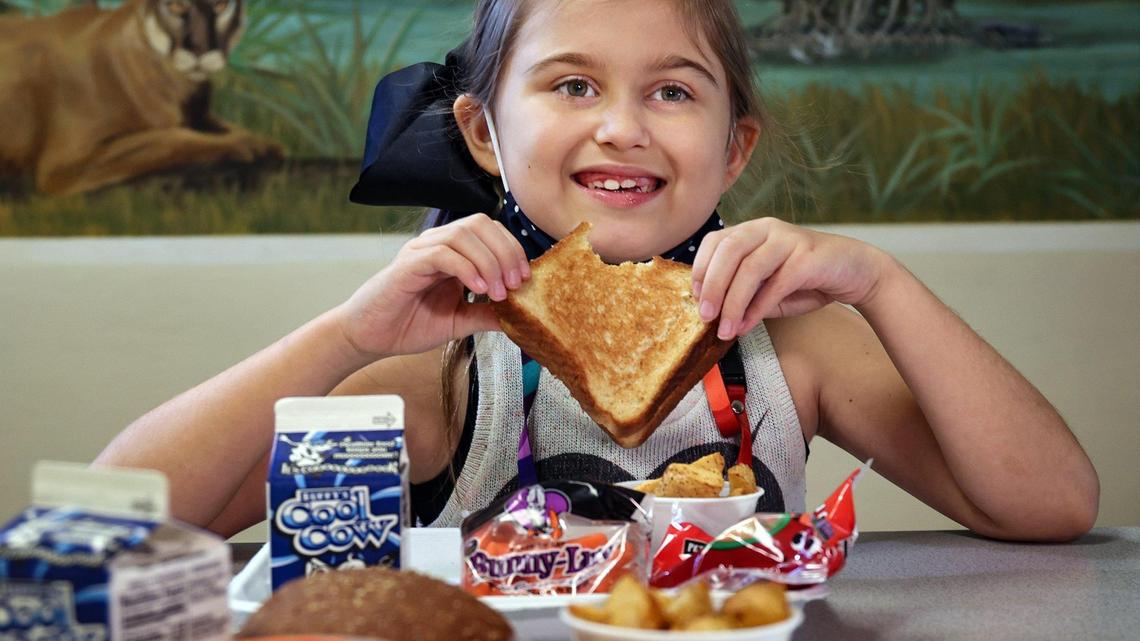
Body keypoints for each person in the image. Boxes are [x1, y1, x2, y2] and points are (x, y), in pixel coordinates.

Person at [96, 0, 1098, 541]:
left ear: (734, 148)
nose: (621, 125)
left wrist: (882, 281)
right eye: (573, 83)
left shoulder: (791, 347)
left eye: (671, 89)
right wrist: (343, 337)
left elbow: (1051, 506)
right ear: (483, 133)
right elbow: (113, 517)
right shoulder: (451, 366)